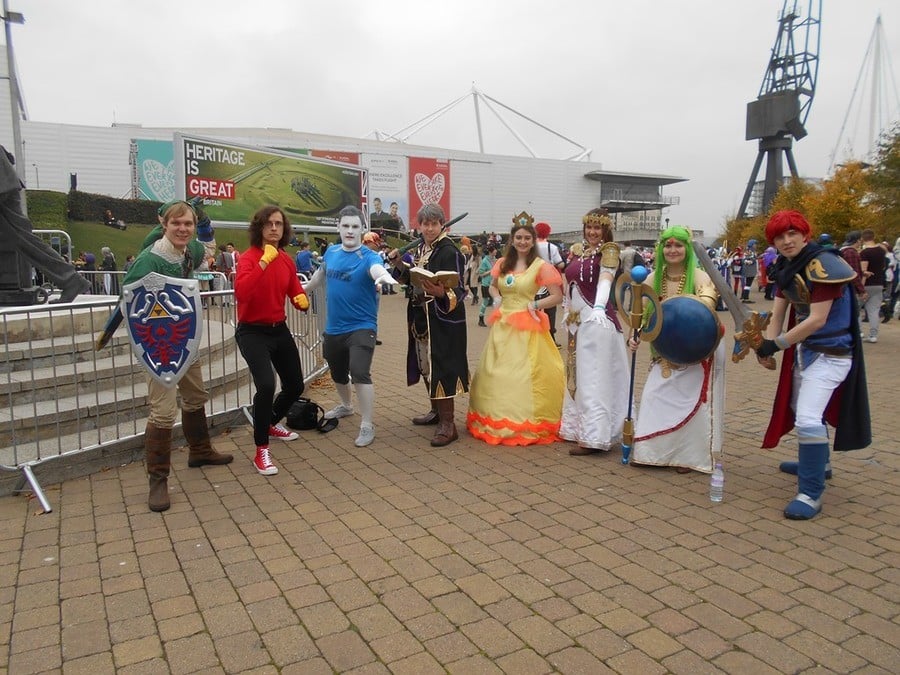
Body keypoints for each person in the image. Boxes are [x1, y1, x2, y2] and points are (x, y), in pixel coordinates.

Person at [756, 210, 870, 520]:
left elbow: (817, 320)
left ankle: (811, 492)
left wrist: (777, 344)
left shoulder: (825, 264)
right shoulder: (786, 266)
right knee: (801, 407)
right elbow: (779, 313)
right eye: (780, 236)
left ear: (805, 234)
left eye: (792, 233)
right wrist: (767, 346)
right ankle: (819, 465)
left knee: (807, 416)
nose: (786, 240)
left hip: (832, 355)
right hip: (806, 352)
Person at [120, 201, 233, 512]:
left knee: (196, 396)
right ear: (163, 223)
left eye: (188, 224)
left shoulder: (188, 250)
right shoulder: (149, 260)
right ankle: (157, 480)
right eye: (177, 224)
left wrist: (207, 220)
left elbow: (207, 248)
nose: (183, 229)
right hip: (159, 348)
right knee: (163, 413)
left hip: (184, 343)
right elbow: (129, 302)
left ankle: (199, 450)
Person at [627, 225, 722, 474]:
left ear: (687, 248)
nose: (673, 250)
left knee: (690, 403)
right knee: (653, 396)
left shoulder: (701, 278)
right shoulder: (651, 278)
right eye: (667, 245)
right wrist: (634, 336)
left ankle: (687, 457)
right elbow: (639, 314)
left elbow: (705, 315)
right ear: (660, 249)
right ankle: (651, 453)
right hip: (663, 353)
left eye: (678, 245)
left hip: (693, 353)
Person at [466, 215, 564, 446]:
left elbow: (557, 296)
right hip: (503, 324)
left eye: (527, 238)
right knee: (496, 371)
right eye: (518, 237)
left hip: (528, 326)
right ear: (512, 239)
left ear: (533, 241)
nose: (522, 241)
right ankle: (495, 416)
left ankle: (526, 421)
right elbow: (491, 287)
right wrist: (497, 297)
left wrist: (536, 304)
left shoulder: (540, 266)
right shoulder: (502, 263)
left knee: (524, 373)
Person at [305, 205, 397, 447]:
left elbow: (376, 269)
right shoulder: (332, 252)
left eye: (355, 226)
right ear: (338, 227)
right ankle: (346, 406)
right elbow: (319, 277)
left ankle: (367, 424)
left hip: (362, 326)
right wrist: (301, 290)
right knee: (336, 372)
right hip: (334, 328)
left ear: (362, 229)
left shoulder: (368, 256)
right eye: (345, 226)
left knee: (359, 371)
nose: (349, 231)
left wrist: (383, 276)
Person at [233, 205, 310, 477]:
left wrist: (300, 298)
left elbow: (293, 287)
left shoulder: (287, 260)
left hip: (279, 329)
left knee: (295, 385)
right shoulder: (249, 258)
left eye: (278, 223)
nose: (274, 228)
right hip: (252, 331)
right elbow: (242, 292)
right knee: (266, 384)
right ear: (259, 228)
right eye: (268, 224)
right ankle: (261, 450)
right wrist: (264, 262)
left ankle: (268, 422)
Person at [388, 203, 469, 446]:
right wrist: (400, 264)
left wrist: (442, 293)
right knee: (425, 364)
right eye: (426, 224)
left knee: (441, 366)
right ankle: (435, 411)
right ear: (420, 225)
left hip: (444, 320)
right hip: (421, 316)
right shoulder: (423, 247)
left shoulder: (449, 251)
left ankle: (448, 423)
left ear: (442, 224)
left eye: (434, 224)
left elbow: (460, 290)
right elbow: (410, 279)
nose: (430, 228)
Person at [559, 209, 630, 455]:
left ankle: (594, 437)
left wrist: (599, 307)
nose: (592, 232)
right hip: (577, 323)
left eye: (597, 228)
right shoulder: (579, 251)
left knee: (593, 379)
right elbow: (568, 285)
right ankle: (577, 429)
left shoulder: (609, 251)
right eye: (589, 227)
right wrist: (567, 310)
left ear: (605, 230)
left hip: (597, 322)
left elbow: (606, 279)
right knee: (576, 377)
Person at [534, 222, 565, 345]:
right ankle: (551, 336)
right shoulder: (551, 247)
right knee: (550, 308)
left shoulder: (531, 245)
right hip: (549, 281)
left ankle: (537, 335)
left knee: (534, 307)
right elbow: (560, 263)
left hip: (533, 280)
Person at [859, 229, 886, 342]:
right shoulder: (881, 251)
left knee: (857, 309)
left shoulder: (864, 253)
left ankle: (859, 332)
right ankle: (873, 335)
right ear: (873, 237)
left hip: (867, 284)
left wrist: (861, 289)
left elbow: (864, 271)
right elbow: (883, 267)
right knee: (874, 310)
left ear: (862, 239)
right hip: (879, 283)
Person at [476, 245, 494, 326]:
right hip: (486, 284)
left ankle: (495, 319)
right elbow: (481, 273)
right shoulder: (485, 261)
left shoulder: (493, 259)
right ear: (491, 251)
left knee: (496, 301)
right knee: (485, 302)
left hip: (493, 284)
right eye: (495, 250)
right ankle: (481, 318)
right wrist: (490, 271)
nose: (496, 251)